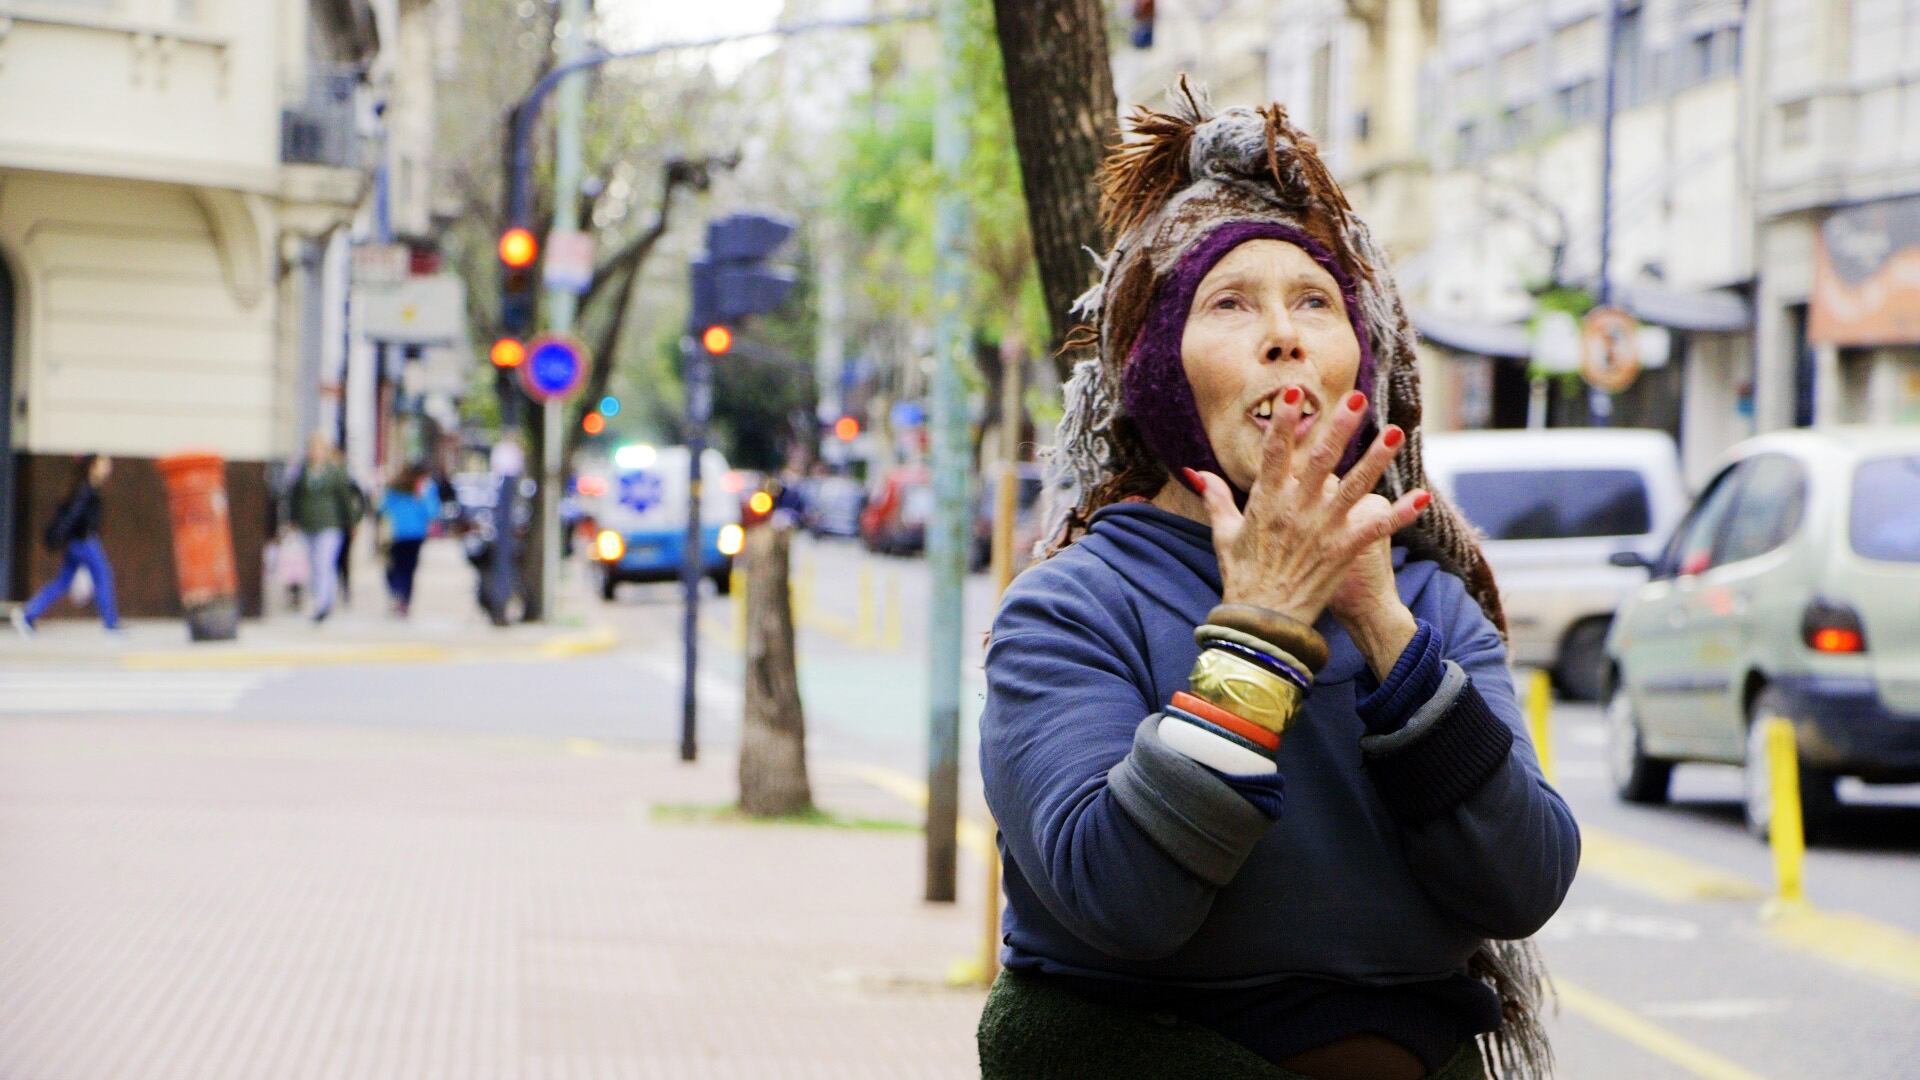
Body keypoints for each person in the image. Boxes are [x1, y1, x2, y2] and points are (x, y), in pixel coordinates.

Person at [976, 85, 1578, 1080]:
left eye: (1314, 303)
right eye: (1229, 304)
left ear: (1362, 366)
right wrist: (1260, 629)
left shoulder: (1431, 601)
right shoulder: (1075, 605)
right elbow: (1121, 899)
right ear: (1155, 368)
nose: (1284, 336)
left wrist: (1382, 626)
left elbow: (1525, 884)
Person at [12, 454, 121, 635]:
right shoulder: (86, 490)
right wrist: (60, 535)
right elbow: (73, 516)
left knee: (63, 581)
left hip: (77, 541)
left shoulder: (88, 488)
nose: (107, 469)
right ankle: (110, 623)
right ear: (92, 467)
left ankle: (28, 613)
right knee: (103, 575)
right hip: (84, 541)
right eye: (103, 465)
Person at [287, 434, 358, 623]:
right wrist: (292, 519)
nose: (315, 453)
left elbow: (345, 499)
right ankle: (320, 598)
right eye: (312, 449)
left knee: (324, 562)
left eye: (319, 449)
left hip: (330, 524)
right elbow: (294, 497)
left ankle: (323, 602)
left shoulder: (335, 473)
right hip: (307, 524)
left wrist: (350, 523)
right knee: (312, 564)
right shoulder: (302, 471)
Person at [379, 463, 438, 616]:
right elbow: (432, 512)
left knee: (396, 567)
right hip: (413, 535)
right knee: (408, 569)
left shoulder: (396, 488)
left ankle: (398, 594)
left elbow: (382, 508)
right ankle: (404, 599)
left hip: (399, 534)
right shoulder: (423, 488)